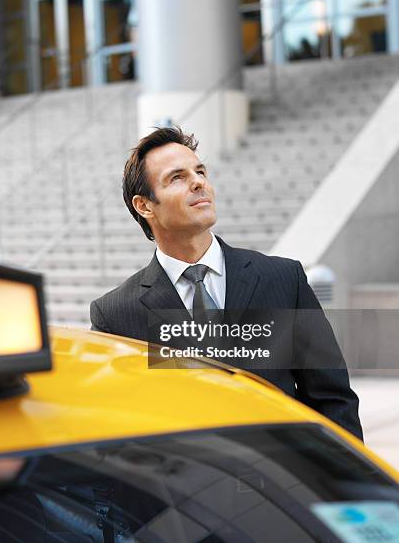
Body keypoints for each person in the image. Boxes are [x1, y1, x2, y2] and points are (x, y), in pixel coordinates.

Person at [90, 126, 363, 440]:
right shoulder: (116, 315)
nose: (198, 182)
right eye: (177, 177)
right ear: (145, 205)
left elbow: (333, 399)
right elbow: (117, 429)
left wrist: (346, 486)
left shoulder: (284, 280)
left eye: (201, 171)